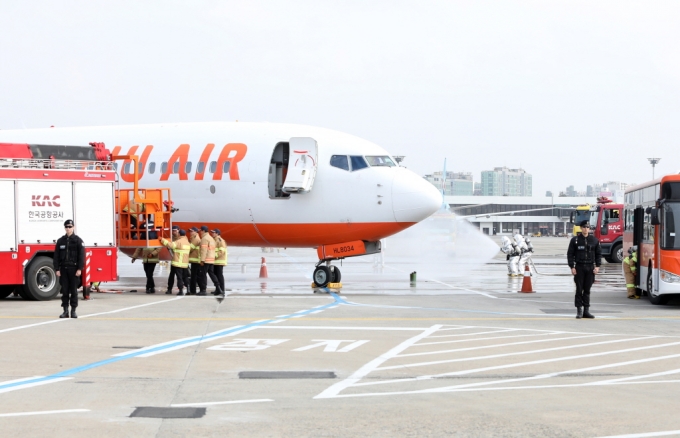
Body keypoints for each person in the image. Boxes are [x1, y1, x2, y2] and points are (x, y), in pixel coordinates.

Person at [567, 220, 602, 319]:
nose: (586, 229)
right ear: (581, 228)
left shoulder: (595, 240)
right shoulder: (575, 240)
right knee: (579, 289)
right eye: (584, 227)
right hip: (579, 267)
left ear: (589, 228)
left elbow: (598, 254)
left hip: (590, 267)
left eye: (587, 227)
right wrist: (572, 267)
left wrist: (597, 266)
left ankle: (586, 310)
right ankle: (579, 310)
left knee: (587, 290)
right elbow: (570, 254)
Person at [54, 219, 85, 318]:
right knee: (65, 291)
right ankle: (65, 311)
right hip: (63, 269)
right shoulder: (60, 241)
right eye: (66, 227)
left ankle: (73, 311)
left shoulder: (78, 241)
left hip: (74, 269)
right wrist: (57, 269)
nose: (68, 228)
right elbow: (56, 256)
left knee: (74, 291)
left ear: (73, 227)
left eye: (70, 226)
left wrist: (79, 269)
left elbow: (81, 256)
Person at [160, 226, 190, 295]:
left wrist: (162, 240)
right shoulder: (187, 242)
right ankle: (188, 289)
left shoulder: (178, 241)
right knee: (185, 277)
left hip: (176, 262)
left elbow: (170, 245)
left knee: (176, 277)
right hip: (184, 263)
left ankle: (179, 291)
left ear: (179, 233)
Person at [198, 225, 221, 296]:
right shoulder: (211, 238)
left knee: (203, 275)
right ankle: (218, 288)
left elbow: (203, 250)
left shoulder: (204, 238)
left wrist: (202, 260)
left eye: (201, 230)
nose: (200, 232)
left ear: (203, 231)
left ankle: (203, 290)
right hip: (211, 259)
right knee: (212, 274)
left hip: (206, 260)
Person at [211, 228, 227, 296]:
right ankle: (218, 289)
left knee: (219, 276)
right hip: (215, 261)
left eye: (214, 232)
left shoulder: (220, 240)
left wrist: (213, 256)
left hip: (219, 261)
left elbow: (222, 251)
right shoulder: (215, 240)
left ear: (217, 233)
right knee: (216, 276)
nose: (212, 233)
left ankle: (222, 289)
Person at [187, 227, 201, 295]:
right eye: (190, 231)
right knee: (195, 276)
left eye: (192, 231)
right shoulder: (193, 238)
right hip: (195, 260)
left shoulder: (195, 239)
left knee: (194, 276)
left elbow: (190, 249)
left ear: (196, 232)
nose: (190, 232)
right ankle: (195, 290)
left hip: (195, 260)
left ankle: (193, 290)